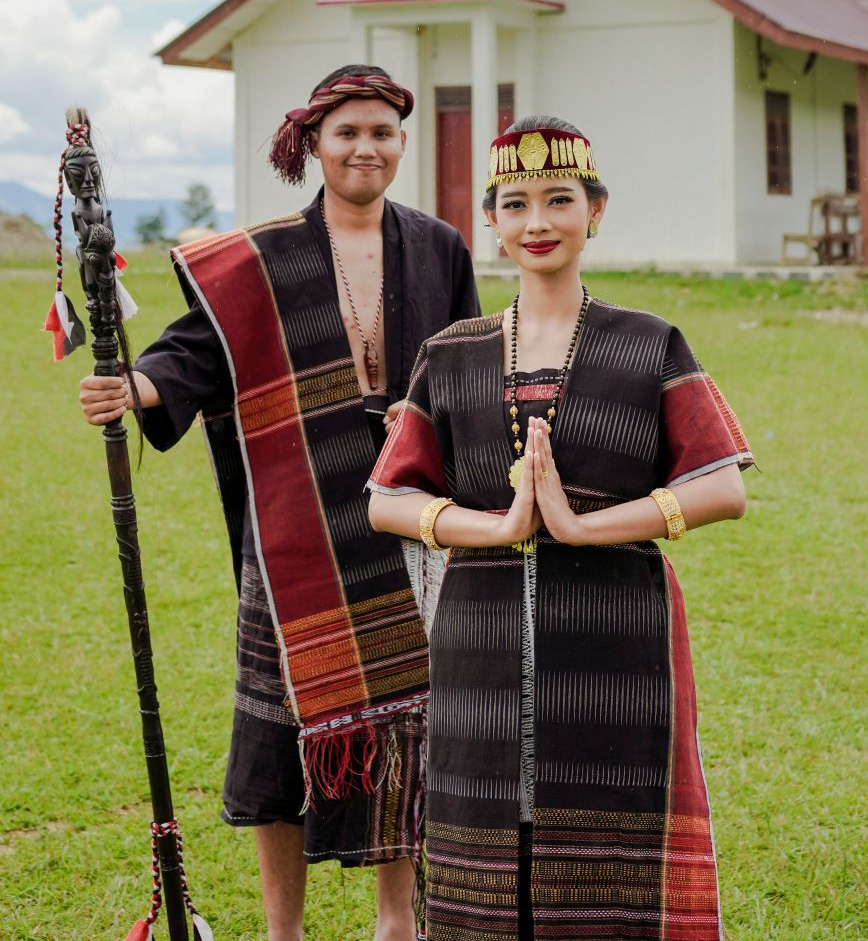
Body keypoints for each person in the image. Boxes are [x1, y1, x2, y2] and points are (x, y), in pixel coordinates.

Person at [79, 65, 479, 941]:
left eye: (382, 132)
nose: (366, 147)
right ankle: (281, 932)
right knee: (277, 727)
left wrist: (457, 442)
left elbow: (466, 366)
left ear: (401, 143)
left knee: (408, 724)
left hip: (408, 510)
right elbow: (195, 352)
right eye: (348, 133)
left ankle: (398, 922)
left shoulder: (440, 246)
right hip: (292, 517)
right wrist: (134, 387)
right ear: (313, 144)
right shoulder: (259, 260)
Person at [369, 115, 753, 941]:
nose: (537, 221)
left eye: (559, 200)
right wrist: (497, 526)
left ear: (596, 211)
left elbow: (722, 486)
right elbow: (387, 499)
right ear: (493, 222)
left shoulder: (650, 344)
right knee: (479, 844)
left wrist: (581, 527)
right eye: (516, 204)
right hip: (478, 635)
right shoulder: (452, 353)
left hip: (619, 634)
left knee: (617, 845)